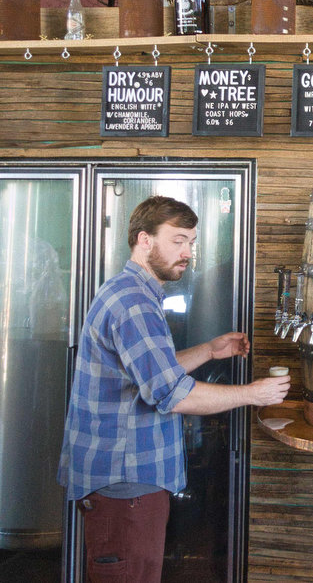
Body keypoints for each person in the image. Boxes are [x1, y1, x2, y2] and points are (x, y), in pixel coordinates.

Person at [58, 196, 290, 582]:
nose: (187, 252)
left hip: (125, 479)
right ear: (144, 240)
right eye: (177, 240)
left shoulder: (132, 291)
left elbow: (150, 373)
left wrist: (209, 350)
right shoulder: (134, 303)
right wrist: (254, 393)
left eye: (191, 242)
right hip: (125, 482)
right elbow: (173, 393)